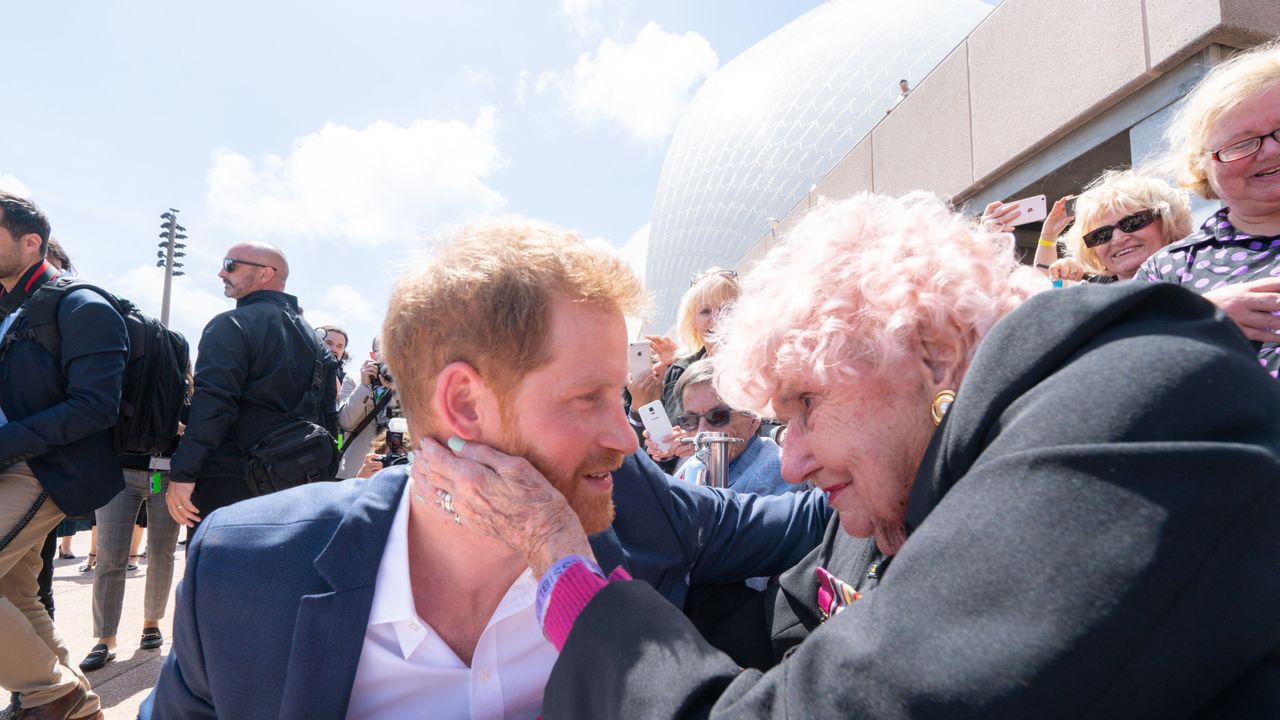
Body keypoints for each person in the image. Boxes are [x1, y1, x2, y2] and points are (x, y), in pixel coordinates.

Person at [424, 192, 1280, 718]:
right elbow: (764, 637)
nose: (789, 461)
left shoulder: (1139, 394)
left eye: (804, 404)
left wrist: (569, 582)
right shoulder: (888, 502)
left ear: (935, 355)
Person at [142, 218, 830, 719]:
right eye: (587, 398)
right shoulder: (247, 570)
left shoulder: (638, 505)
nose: (625, 436)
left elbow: (808, 513)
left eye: (617, 399)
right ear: (464, 403)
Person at [0, 192, 125, 720]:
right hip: (14, 464)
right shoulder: (11, 307)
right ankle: (71, 702)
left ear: (32, 243)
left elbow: (95, 406)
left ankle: (56, 697)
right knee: (18, 594)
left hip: (41, 470)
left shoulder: (83, 304)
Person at [164, 242, 337, 527]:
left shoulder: (231, 325)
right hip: (297, 484)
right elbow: (328, 418)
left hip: (231, 485)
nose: (221, 272)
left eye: (231, 264)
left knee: (220, 571)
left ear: (266, 274)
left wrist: (183, 473)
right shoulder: (318, 342)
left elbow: (213, 405)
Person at [1138, 39, 1280, 375]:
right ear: (1203, 166)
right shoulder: (1170, 268)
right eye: (1242, 144)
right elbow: (1121, 371)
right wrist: (1196, 318)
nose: (1271, 150)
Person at [667, 359, 793, 496]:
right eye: (690, 420)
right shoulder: (692, 465)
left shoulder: (778, 471)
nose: (701, 432)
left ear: (753, 417)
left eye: (717, 417)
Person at [1045, 170, 1192, 282]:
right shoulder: (1093, 308)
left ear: (1167, 221)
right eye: (1101, 235)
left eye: (1132, 222)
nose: (1118, 239)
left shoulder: (1206, 273)